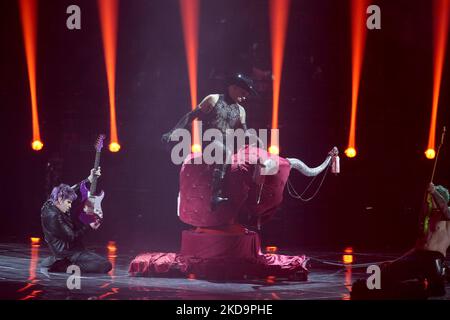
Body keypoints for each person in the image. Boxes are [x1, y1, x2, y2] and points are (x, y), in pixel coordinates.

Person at [162, 73, 259, 210]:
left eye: (246, 95)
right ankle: (215, 195)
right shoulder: (213, 99)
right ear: (233, 87)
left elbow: (244, 131)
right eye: (243, 93)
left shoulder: (241, 111)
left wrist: (255, 141)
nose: (244, 98)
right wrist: (173, 132)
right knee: (225, 151)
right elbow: (191, 116)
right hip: (210, 143)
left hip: (227, 145)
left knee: (237, 157)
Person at [352, 183, 450, 299]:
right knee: (383, 275)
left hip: (434, 259)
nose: (428, 201)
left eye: (431, 198)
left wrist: (434, 191)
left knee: (436, 292)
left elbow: (444, 208)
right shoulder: (427, 219)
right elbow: (418, 246)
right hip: (417, 256)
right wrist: (395, 261)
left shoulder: (447, 213)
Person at [40, 167, 112, 274]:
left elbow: (72, 189)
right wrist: (88, 225)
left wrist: (89, 179)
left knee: (94, 258)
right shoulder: (54, 215)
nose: (70, 206)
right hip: (69, 253)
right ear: (60, 199)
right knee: (106, 265)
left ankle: (55, 260)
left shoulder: (53, 202)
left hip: (69, 249)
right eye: (68, 202)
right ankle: (63, 265)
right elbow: (72, 237)